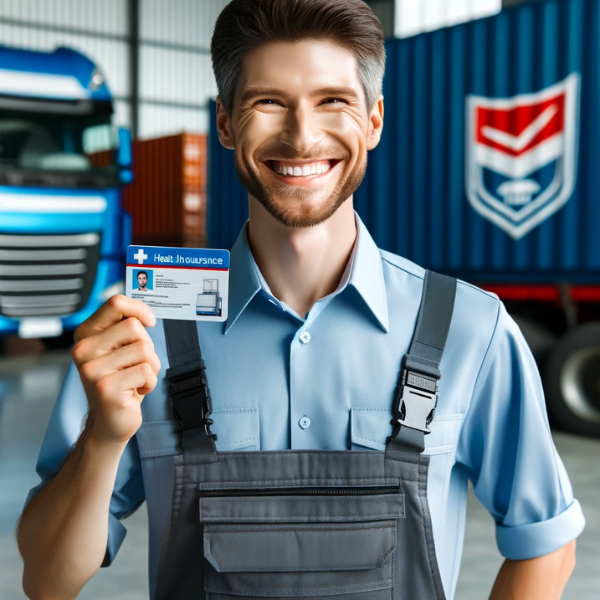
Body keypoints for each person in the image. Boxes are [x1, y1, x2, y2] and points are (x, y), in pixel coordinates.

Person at [18, 1, 584, 599]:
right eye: (268, 101)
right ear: (226, 123)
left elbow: (546, 545)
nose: (302, 135)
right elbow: (47, 580)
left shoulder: (469, 329)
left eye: (333, 101)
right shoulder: (148, 330)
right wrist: (103, 438)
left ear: (374, 121)